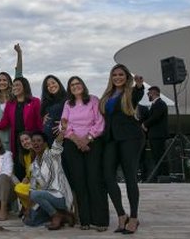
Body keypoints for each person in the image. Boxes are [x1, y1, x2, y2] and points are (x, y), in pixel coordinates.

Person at [99, 64, 145, 234]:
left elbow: (138, 94)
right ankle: (121, 215)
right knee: (108, 176)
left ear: (126, 77)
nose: (117, 77)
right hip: (110, 139)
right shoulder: (107, 95)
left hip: (130, 138)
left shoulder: (131, 92)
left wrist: (139, 85)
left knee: (130, 177)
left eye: (121, 74)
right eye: (114, 75)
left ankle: (133, 218)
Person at [61, 75, 107, 231]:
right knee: (79, 181)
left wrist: (87, 139)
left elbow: (99, 123)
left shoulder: (93, 100)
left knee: (94, 179)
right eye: (72, 85)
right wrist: (77, 141)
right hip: (73, 144)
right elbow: (65, 125)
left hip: (92, 143)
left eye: (77, 83)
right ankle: (85, 220)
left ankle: (100, 220)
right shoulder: (68, 104)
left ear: (83, 85)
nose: (75, 86)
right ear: (69, 89)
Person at [0, 74, 41, 180]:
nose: (15, 88)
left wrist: (41, 141)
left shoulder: (35, 101)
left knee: (35, 169)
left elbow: (39, 123)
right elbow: (4, 124)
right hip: (17, 143)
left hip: (32, 142)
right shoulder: (10, 104)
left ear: (24, 86)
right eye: (13, 86)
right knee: (19, 168)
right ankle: (21, 194)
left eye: (17, 85)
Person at [25, 131, 73, 230]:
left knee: (35, 194)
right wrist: (28, 208)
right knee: (30, 221)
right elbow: (32, 188)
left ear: (45, 143)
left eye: (39, 141)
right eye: (33, 141)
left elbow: (57, 143)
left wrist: (63, 130)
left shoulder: (52, 155)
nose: (35, 143)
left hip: (60, 197)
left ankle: (56, 215)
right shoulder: (34, 165)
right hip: (47, 197)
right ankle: (63, 216)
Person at [143, 85, 169, 181]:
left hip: (158, 135)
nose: (148, 95)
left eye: (149, 93)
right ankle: (160, 175)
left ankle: (164, 175)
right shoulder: (155, 104)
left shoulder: (160, 104)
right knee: (156, 155)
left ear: (154, 93)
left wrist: (144, 124)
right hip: (154, 135)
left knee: (159, 155)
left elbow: (155, 117)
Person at [40, 75, 67, 145]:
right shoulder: (46, 102)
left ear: (58, 83)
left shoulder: (67, 98)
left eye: (53, 83)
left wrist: (63, 125)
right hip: (48, 139)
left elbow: (75, 116)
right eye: (48, 85)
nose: (51, 86)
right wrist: (43, 119)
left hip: (63, 138)